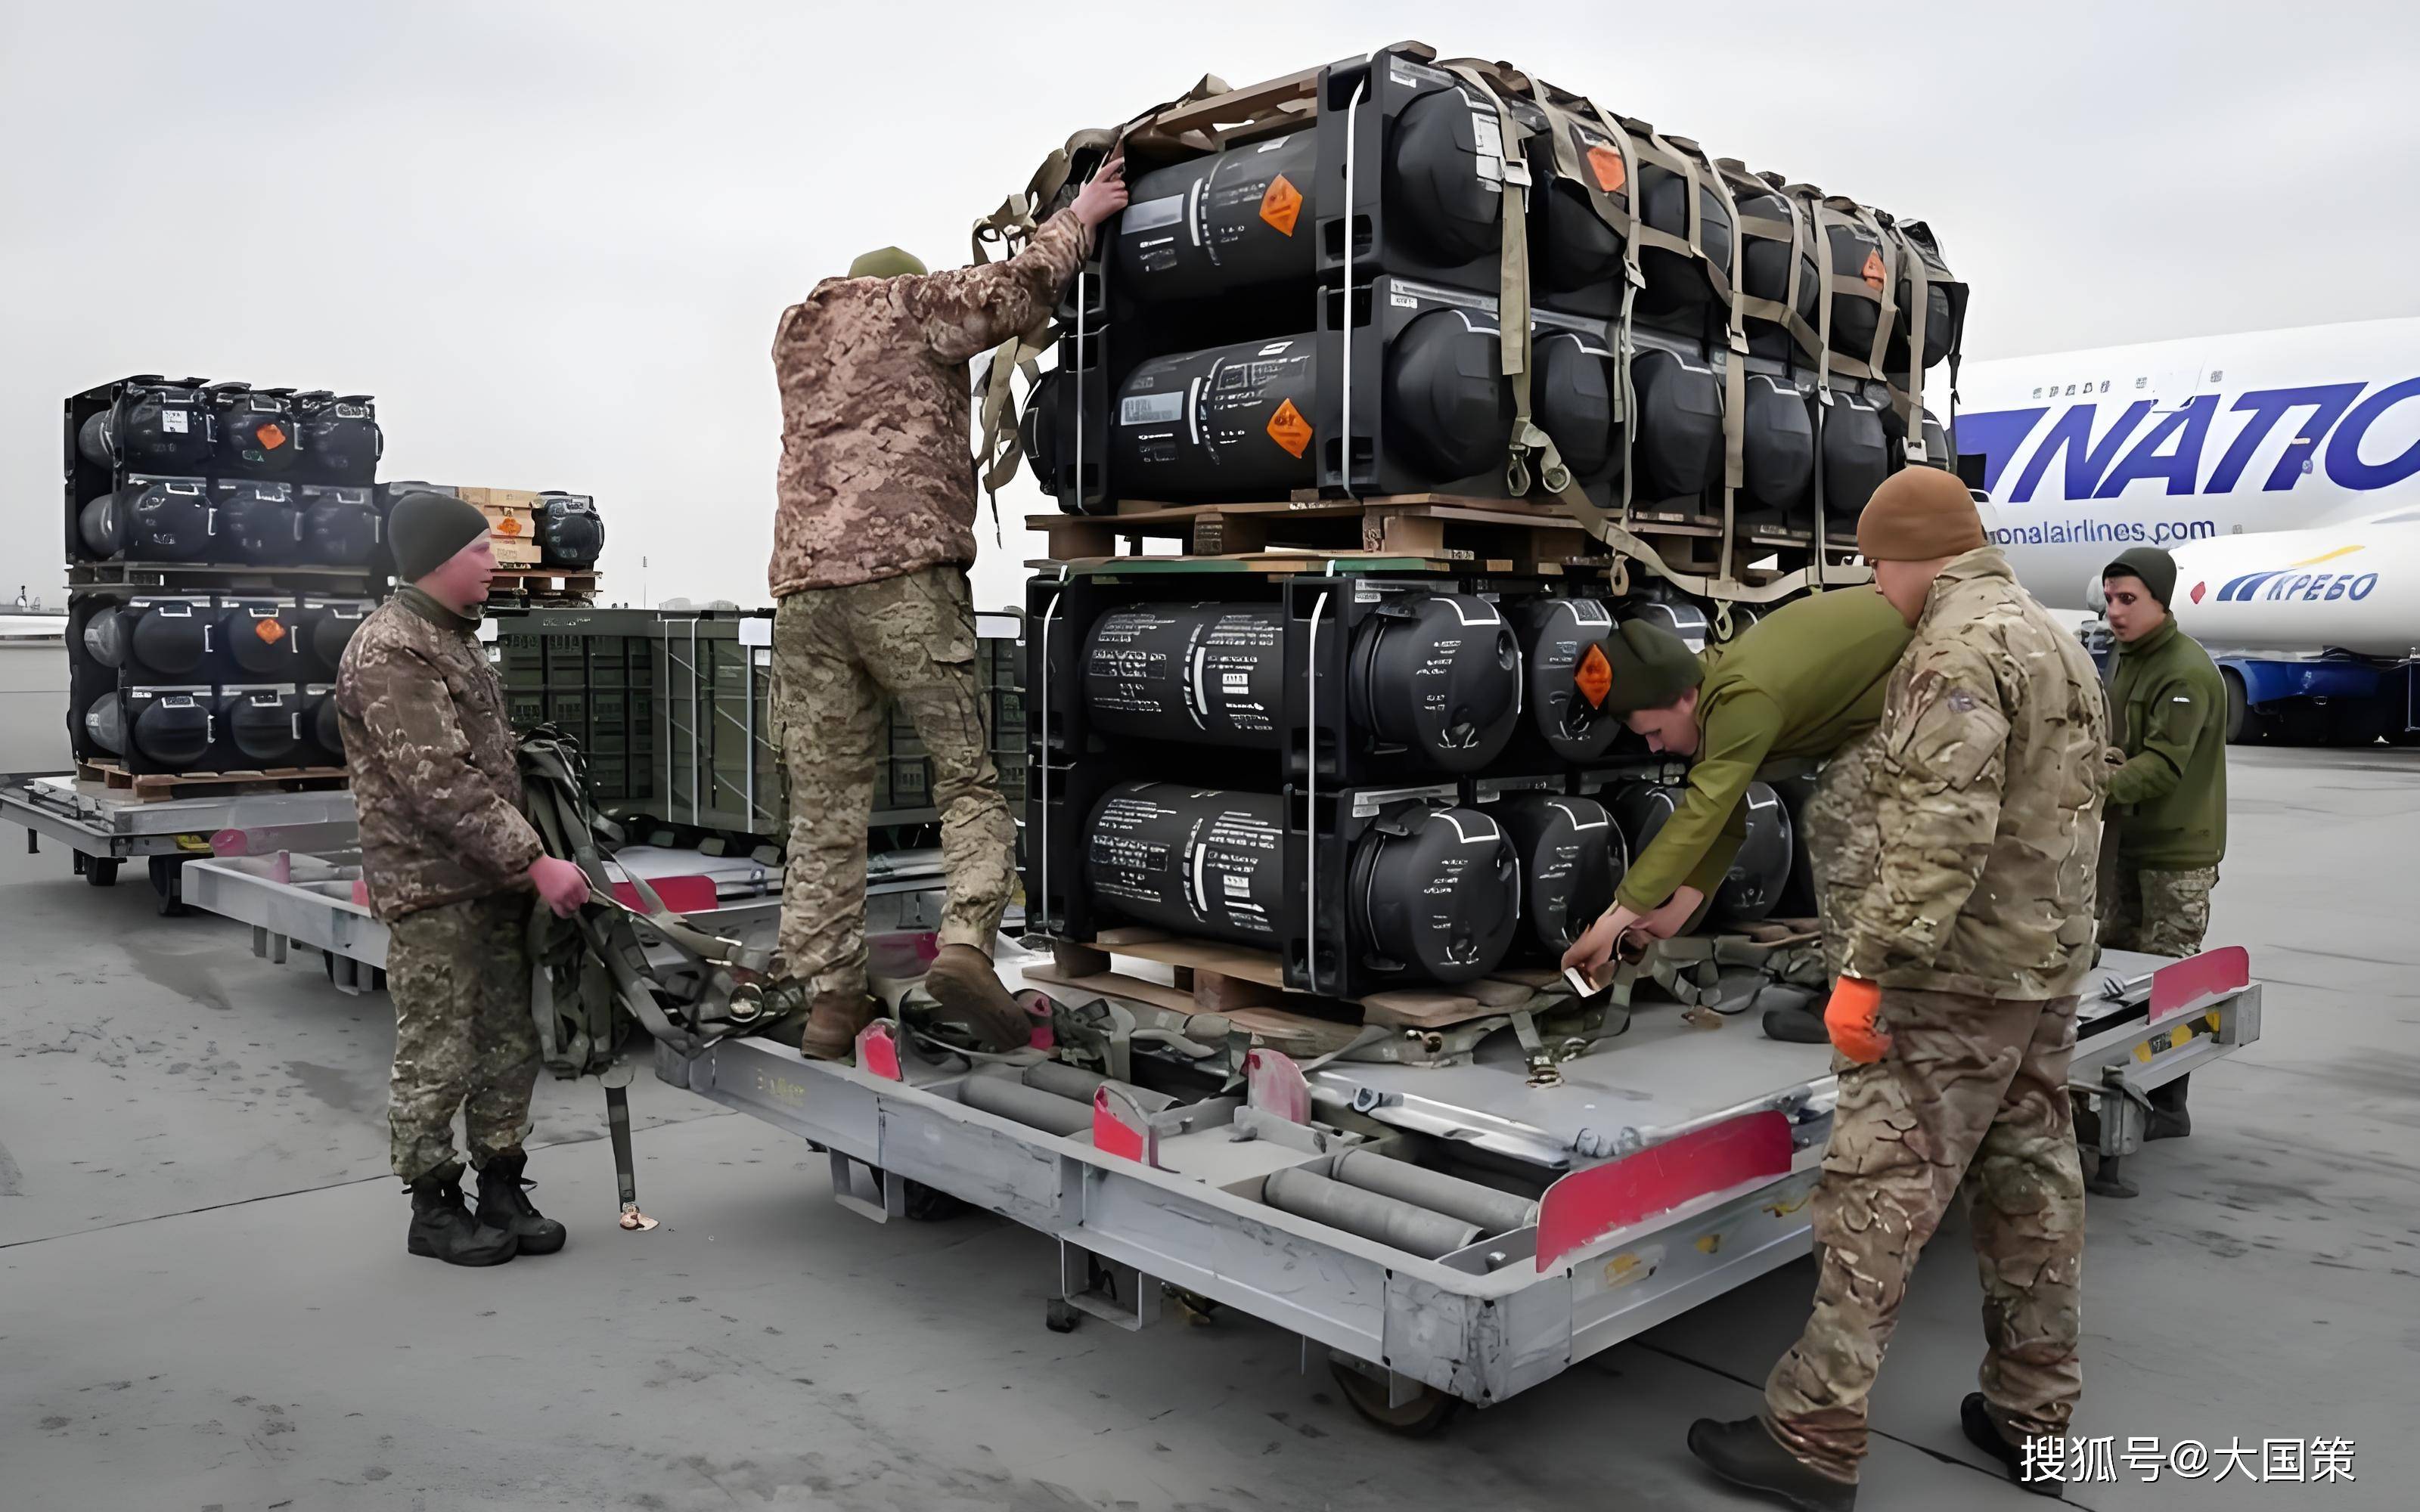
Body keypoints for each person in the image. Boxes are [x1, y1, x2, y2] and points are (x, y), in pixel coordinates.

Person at [1686, 466, 2109, 1507]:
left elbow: (1938, 835)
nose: (1877, 589)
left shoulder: (1955, 651)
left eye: (1878, 567)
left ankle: (1813, 1435)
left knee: (1879, 1196)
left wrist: (1869, 969)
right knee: (2033, 1186)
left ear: (1914, 554)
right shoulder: (2055, 637)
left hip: (1952, 978)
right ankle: (2033, 1414)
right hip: (2040, 967)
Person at [766, 154, 1129, 1060]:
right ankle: (966, 946)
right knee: (965, 779)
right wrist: (1078, 217)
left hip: (805, 595)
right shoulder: (910, 307)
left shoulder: (796, 338)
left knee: (824, 808)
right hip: (905, 581)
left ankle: (828, 1001)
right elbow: (1016, 288)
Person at [337, 491, 591, 1266]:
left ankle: (502, 1179)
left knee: (508, 1041)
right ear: (440, 559)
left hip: (488, 881)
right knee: (438, 1048)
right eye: (482, 550)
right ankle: (433, 1202)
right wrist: (535, 859)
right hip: (434, 885)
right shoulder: (392, 649)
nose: (495, 562)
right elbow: (439, 780)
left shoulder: (452, 639)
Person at [1559, 589, 1913, 1043]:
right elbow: (1725, 816)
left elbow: (1703, 814)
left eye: (1653, 731)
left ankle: (1873, 1006)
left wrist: (1611, 921)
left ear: (1684, 698)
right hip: (1901, 697)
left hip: (1945, 676)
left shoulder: (1742, 698)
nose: (1654, 746)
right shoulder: (1713, 688)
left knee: (1849, 829)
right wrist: (1670, 915)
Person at [2097, 544, 2226, 1140]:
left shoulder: (2185, 670)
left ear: (2160, 602)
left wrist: (2086, 786)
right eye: (2110, 599)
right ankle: (2118, 1090)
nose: (2114, 612)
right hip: (2127, 842)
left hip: (2176, 853)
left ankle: (2169, 1105)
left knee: (2167, 984)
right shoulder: (2126, 658)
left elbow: (2163, 765)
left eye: (2128, 599)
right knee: (2114, 975)